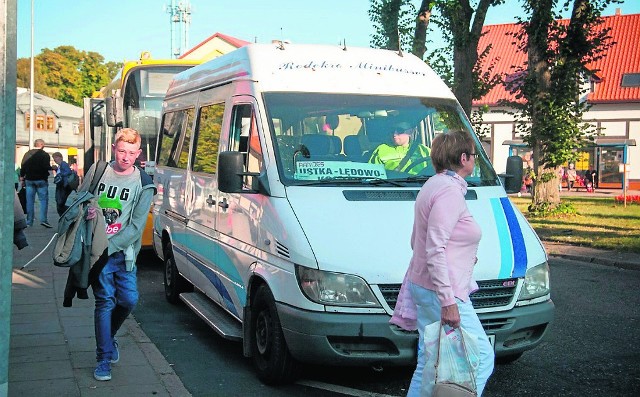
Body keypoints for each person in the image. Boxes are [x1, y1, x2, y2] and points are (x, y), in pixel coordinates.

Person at [405, 130, 494, 396]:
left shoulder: (434, 185)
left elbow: (420, 241)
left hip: (425, 284)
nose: (475, 161)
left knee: (429, 361)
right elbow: (434, 246)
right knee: (482, 357)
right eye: (474, 156)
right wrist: (448, 302)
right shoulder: (449, 192)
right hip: (444, 291)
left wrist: (464, 253)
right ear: (464, 157)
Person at [86, 128, 156, 381]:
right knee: (104, 301)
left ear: (138, 154)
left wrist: (110, 247)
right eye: (122, 151)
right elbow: (79, 199)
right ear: (114, 149)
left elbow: (137, 227)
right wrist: (87, 211)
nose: (126, 157)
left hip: (123, 253)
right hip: (97, 252)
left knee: (128, 300)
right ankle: (103, 358)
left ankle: (109, 337)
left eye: (131, 153)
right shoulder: (98, 171)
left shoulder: (144, 184)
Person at [20, 139, 53, 228]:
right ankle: (43, 220)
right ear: (42, 145)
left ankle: (29, 221)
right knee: (43, 200)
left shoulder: (27, 154)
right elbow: (46, 166)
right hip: (41, 180)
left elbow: (23, 165)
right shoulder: (44, 155)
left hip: (29, 180)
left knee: (30, 201)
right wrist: (53, 167)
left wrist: (22, 177)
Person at [52, 152, 73, 216]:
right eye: (54, 158)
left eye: (56, 157)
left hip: (63, 186)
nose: (55, 159)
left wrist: (60, 175)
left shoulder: (63, 164)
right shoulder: (60, 166)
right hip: (61, 185)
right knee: (59, 202)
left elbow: (68, 171)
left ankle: (70, 212)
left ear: (60, 157)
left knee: (60, 202)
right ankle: (65, 215)